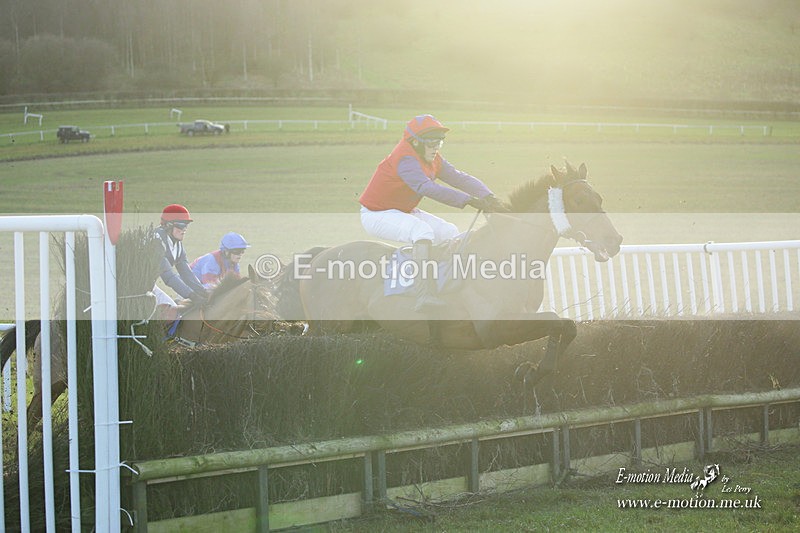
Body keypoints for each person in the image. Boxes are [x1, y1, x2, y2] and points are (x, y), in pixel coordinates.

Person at [358, 114, 508, 311]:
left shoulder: (433, 158)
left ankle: (448, 286)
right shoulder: (405, 159)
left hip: (402, 210)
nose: (436, 146)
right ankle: (423, 294)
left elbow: (458, 178)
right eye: (431, 142)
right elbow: (426, 188)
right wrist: (469, 200)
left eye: (439, 141)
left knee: (449, 231)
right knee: (422, 232)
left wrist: (489, 197)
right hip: (376, 214)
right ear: (415, 142)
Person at [153, 204, 208, 320]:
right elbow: (169, 277)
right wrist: (191, 295)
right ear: (168, 225)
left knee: (173, 312)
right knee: (170, 314)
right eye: (181, 225)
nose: (184, 230)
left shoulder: (177, 245)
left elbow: (186, 274)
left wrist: (204, 293)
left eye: (186, 226)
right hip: (134, 291)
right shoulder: (156, 240)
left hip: (149, 287)